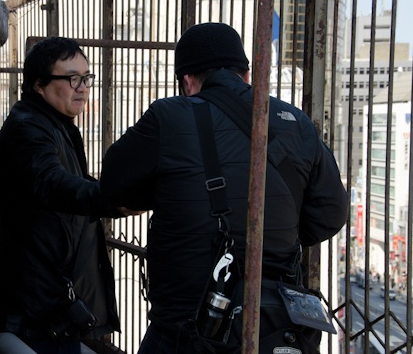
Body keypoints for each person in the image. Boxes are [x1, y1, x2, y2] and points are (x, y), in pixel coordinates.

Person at [100, 23, 346, 354]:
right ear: (246, 74)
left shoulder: (169, 115)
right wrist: (275, 229)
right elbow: (331, 213)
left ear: (187, 81)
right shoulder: (295, 121)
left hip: (185, 324)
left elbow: (114, 187)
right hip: (272, 324)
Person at [0, 36, 129, 353]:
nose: (83, 87)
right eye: (73, 78)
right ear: (39, 85)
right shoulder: (29, 127)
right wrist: (110, 199)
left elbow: (69, 180)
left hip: (44, 301)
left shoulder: (51, 123)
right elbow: (51, 181)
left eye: (87, 78)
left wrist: (118, 195)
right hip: (33, 310)